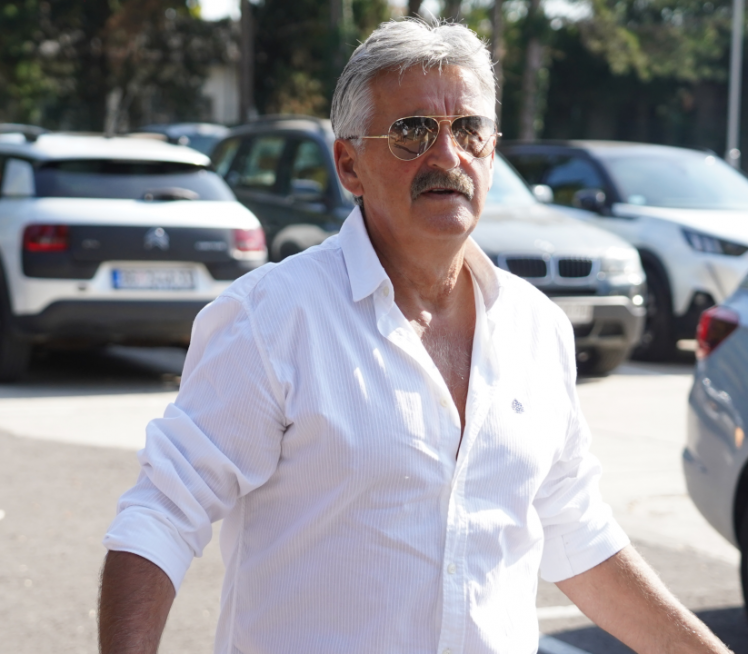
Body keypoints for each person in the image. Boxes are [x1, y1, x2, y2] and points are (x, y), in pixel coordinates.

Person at [99, 19, 732, 654]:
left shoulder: (537, 328)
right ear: (349, 165)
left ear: (492, 151)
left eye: (469, 130)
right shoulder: (272, 318)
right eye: (412, 132)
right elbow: (163, 515)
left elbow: (574, 529)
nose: (448, 157)